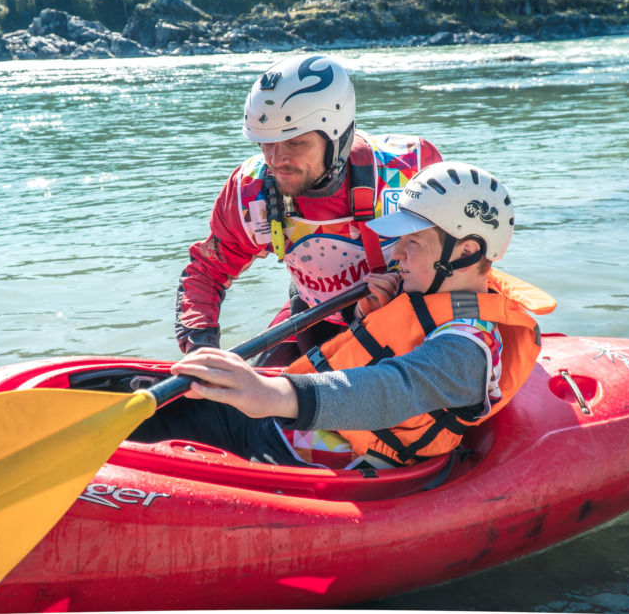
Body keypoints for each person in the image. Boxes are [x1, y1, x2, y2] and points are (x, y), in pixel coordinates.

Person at [134, 161, 555, 469]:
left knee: (162, 433)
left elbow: (391, 389)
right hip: (293, 429)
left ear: (467, 252)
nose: (398, 253)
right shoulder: (423, 295)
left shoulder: (468, 350)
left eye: (415, 242)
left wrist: (269, 394)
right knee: (147, 400)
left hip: (328, 460)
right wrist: (368, 316)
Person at [175, 54, 443, 365]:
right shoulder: (249, 192)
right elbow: (207, 273)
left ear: (339, 136)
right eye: (266, 143)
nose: (276, 160)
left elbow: (459, 259)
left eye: (295, 143)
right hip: (315, 319)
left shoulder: (411, 171)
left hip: (407, 318)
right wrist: (200, 348)